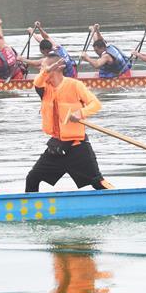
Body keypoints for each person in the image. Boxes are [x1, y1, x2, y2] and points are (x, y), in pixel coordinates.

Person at [26, 54, 113, 193]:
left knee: (98, 183)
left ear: (57, 69)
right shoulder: (44, 88)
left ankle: (118, 201)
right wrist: (47, 70)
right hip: (56, 147)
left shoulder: (74, 85)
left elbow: (95, 104)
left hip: (78, 147)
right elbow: (37, 81)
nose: (42, 71)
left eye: (44, 67)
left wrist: (81, 113)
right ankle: (29, 210)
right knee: (32, 178)